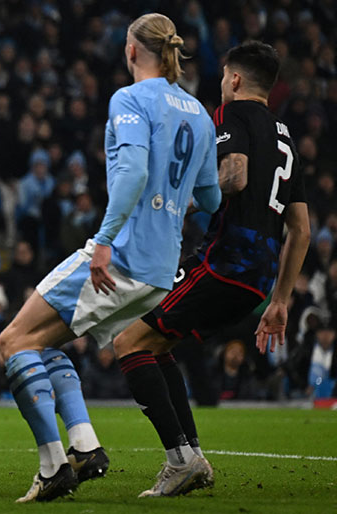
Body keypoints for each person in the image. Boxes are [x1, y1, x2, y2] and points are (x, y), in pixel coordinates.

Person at [0, 13, 220, 501]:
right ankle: (84, 446)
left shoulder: (130, 98)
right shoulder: (200, 113)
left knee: (13, 341)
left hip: (123, 255)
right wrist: (170, 204)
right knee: (42, 345)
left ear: (132, 50)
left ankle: (53, 467)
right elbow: (211, 197)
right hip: (161, 269)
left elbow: (133, 172)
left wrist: (103, 240)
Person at [113, 40, 310, 497]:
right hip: (257, 279)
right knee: (157, 345)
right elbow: (300, 230)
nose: (222, 83)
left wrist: (179, 197)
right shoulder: (284, 136)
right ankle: (192, 457)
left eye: (224, 76)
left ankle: (180, 460)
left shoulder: (230, 115)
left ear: (235, 79)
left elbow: (235, 175)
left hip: (224, 263)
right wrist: (279, 300)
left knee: (127, 342)